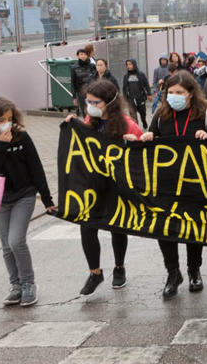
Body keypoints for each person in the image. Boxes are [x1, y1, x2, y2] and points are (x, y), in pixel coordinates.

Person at [139, 71, 207, 299]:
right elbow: (150, 142)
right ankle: (172, 272)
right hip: (165, 184)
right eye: (170, 93)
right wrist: (147, 138)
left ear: (190, 94)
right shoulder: (159, 116)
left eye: (179, 93)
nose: (174, 96)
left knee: (193, 230)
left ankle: (194, 270)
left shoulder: (205, 115)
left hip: (195, 185)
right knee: (165, 230)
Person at [0, 97, 56, 307]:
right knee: (6, 244)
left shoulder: (22, 137)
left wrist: (47, 200)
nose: (7, 123)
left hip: (24, 194)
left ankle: (29, 283)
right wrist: (1, 145)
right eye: (2, 119)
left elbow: (36, 169)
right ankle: (16, 285)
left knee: (16, 240)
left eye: (10, 118)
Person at [64, 80, 142, 296]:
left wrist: (134, 142)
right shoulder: (91, 120)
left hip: (118, 186)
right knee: (87, 226)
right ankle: (95, 272)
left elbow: (142, 155)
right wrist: (75, 124)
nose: (89, 105)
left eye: (94, 102)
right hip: (93, 185)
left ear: (109, 103)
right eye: (87, 101)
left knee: (118, 226)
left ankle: (119, 267)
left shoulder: (128, 124)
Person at [122, 59, 151, 129]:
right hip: (131, 98)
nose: (128, 66)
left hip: (140, 97)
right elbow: (124, 88)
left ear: (134, 65)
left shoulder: (141, 74)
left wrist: (149, 94)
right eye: (127, 64)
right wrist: (124, 98)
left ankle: (144, 121)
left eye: (130, 64)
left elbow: (146, 85)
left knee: (142, 113)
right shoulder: (126, 76)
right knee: (133, 115)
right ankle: (136, 128)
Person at [71, 48, 97, 117]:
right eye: (81, 54)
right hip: (81, 92)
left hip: (92, 91)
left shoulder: (92, 66)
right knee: (84, 111)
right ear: (78, 56)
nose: (83, 56)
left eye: (85, 54)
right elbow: (73, 83)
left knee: (94, 110)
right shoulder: (74, 68)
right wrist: (74, 97)